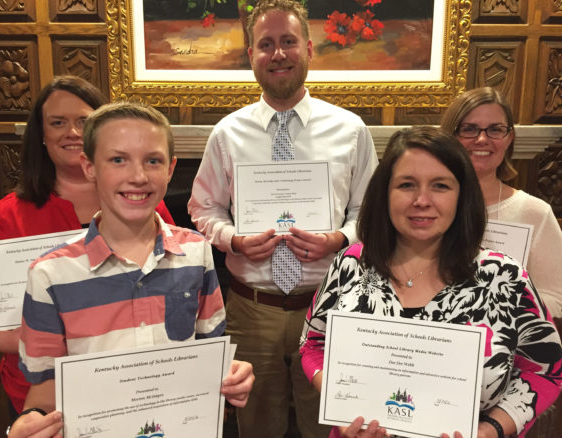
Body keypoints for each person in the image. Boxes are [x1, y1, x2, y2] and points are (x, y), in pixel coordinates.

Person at [8, 102, 254, 438]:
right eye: (118, 159)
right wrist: (29, 423)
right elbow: (43, 389)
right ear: (89, 166)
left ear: (171, 169)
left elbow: (209, 351)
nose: (138, 176)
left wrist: (231, 376)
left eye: (153, 160)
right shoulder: (49, 274)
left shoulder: (196, 251)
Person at [187, 0, 378, 436]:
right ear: (250, 55)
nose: (278, 54)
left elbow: (369, 212)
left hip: (331, 308)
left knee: (329, 425)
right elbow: (203, 208)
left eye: (288, 42)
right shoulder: (227, 133)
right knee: (256, 427)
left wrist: (339, 240)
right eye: (266, 44)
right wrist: (234, 240)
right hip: (253, 310)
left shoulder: (350, 130)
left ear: (309, 48)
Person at [300, 126, 562, 438]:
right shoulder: (351, 263)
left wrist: (488, 431)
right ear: (384, 194)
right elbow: (314, 343)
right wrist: (340, 407)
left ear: (461, 196)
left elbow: (545, 372)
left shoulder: (505, 277)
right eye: (407, 185)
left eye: (440, 186)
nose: (422, 200)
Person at [0, 76, 175, 417]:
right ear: (41, 134)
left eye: (83, 121)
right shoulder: (10, 214)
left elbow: (172, 275)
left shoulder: (143, 200)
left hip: (129, 383)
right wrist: (7, 340)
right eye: (58, 123)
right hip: (43, 394)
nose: (71, 132)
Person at [440, 86, 562, 319]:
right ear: (451, 136)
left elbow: (557, 296)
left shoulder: (535, 213)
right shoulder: (426, 208)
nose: (482, 139)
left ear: (509, 138)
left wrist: (495, 302)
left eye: (495, 129)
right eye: (469, 129)